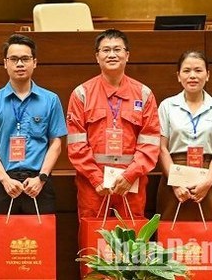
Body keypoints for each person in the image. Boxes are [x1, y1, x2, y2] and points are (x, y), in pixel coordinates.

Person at [66, 29, 160, 229]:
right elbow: (76, 144)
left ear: (127, 55)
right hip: (93, 186)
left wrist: (130, 175)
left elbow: (150, 142)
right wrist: (96, 178)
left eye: (117, 49)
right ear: (97, 57)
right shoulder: (81, 94)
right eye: (105, 50)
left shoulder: (144, 94)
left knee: (130, 243)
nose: (111, 54)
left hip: (131, 183)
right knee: (93, 243)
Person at [0, 34, 66, 215]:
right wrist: (4, 180)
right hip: (5, 184)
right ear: (5, 63)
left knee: (41, 241)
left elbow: (56, 143)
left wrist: (41, 178)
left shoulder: (50, 100)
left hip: (39, 182)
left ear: (34, 62)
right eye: (14, 59)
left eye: (25, 59)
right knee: (4, 241)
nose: (20, 64)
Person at [157, 50, 212, 266]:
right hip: (174, 173)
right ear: (178, 75)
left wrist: (207, 181)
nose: (192, 75)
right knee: (171, 233)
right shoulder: (167, 106)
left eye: (198, 70)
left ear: (208, 75)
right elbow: (161, 148)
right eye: (187, 71)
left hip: (209, 174)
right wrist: (176, 183)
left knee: (210, 237)